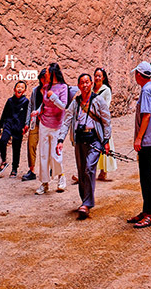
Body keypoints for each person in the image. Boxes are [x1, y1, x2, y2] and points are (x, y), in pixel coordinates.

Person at [57, 72, 112, 219]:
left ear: (91, 83)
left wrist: (106, 141)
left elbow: (106, 120)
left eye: (87, 82)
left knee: (89, 168)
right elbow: (67, 120)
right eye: (82, 82)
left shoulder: (98, 100)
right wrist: (60, 140)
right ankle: (84, 201)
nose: (85, 84)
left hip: (94, 139)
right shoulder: (75, 102)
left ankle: (87, 203)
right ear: (79, 85)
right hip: (80, 139)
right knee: (82, 172)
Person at [128, 61, 151, 228]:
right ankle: (146, 210)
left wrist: (138, 138)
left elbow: (146, 116)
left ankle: (150, 215)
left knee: (147, 178)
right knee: (146, 177)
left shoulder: (147, 91)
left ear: (140, 75)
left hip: (147, 141)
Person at [35, 62, 68, 195]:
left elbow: (63, 106)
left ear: (53, 72)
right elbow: (43, 104)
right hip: (44, 123)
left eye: (47, 71)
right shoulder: (46, 86)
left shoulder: (63, 87)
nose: (45, 73)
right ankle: (44, 182)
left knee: (55, 154)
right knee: (43, 154)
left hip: (56, 126)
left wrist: (53, 97)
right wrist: (37, 111)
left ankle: (61, 177)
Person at [0, 80, 29, 177]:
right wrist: (0, 126)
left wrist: (25, 126)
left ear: (25, 90)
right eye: (18, 87)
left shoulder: (25, 102)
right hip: (8, 124)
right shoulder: (10, 101)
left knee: (16, 147)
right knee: (3, 141)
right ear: (14, 89)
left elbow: (27, 115)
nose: (20, 89)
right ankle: (4, 161)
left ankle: (14, 169)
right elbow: (4, 113)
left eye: (22, 87)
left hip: (19, 126)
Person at [22, 68, 47, 182]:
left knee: (47, 146)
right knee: (31, 145)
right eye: (42, 77)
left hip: (47, 122)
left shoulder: (51, 91)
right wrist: (27, 122)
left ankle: (50, 168)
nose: (44, 79)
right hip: (35, 122)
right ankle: (31, 170)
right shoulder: (35, 91)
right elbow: (30, 107)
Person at [92, 68, 118, 182]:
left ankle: (103, 171)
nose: (97, 78)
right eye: (96, 75)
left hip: (102, 122)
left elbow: (106, 107)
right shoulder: (92, 90)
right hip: (92, 122)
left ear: (103, 78)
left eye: (99, 76)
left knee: (104, 144)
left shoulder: (106, 90)